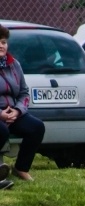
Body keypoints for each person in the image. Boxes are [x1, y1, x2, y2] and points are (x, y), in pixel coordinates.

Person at [0, 24, 45, 182]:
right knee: (2, 131)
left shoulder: (14, 65)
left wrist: (17, 111)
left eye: (4, 42)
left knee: (36, 127)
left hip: (13, 112)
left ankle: (21, 168)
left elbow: (24, 93)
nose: (1, 45)